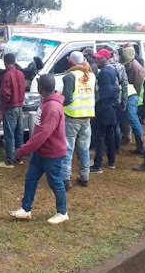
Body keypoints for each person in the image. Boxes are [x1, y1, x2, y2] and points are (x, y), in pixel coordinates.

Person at [8, 74, 69, 225]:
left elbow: (42, 134)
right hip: (41, 152)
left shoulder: (53, 107)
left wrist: (23, 150)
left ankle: (62, 212)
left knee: (55, 182)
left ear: (41, 88)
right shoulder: (46, 102)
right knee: (31, 178)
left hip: (52, 153)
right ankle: (25, 209)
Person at [61, 51, 96, 189]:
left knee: (68, 150)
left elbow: (68, 98)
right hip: (86, 119)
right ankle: (85, 177)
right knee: (84, 149)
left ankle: (66, 179)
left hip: (71, 119)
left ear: (71, 61)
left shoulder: (70, 76)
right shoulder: (92, 76)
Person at [90, 49, 119, 173]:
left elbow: (105, 91)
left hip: (104, 108)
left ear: (106, 58)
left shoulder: (104, 73)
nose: (97, 60)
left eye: (99, 58)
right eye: (96, 58)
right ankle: (111, 161)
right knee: (109, 136)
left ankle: (97, 165)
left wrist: (98, 103)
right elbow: (116, 88)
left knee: (100, 137)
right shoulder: (111, 70)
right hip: (110, 107)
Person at [0, 53, 26, 168]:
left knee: (10, 134)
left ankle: (9, 161)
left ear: (5, 62)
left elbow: (5, 96)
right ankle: (19, 158)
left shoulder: (7, 76)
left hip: (10, 108)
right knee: (19, 133)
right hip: (20, 108)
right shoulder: (21, 74)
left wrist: (0, 113)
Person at [121, 44, 145, 154]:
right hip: (128, 96)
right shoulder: (129, 65)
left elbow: (139, 88)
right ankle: (139, 145)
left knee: (133, 120)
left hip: (133, 97)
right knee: (129, 119)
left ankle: (142, 146)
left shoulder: (137, 68)